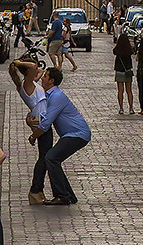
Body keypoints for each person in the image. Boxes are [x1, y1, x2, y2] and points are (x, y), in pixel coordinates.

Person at [27, 67, 91, 207]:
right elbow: (37, 108)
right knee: (53, 160)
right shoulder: (48, 94)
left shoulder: (57, 96)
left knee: (51, 158)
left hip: (77, 134)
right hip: (70, 135)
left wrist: (33, 136)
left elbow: (45, 124)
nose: (42, 78)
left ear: (52, 81)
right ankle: (68, 195)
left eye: (45, 76)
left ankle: (61, 196)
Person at [9, 58, 54, 203]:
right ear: (28, 71)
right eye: (32, 66)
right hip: (41, 122)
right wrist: (18, 63)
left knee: (45, 156)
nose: (36, 67)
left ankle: (38, 190)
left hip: (41, 120)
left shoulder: (30, 83)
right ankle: (35, 190)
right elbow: (35, 68)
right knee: (44, 158)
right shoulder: (25, 84)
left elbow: (38, 70)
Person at [113, 29, 134, 113]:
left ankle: (121, 108)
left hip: (119, 71)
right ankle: (131, 108)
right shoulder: (129, 50)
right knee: (129, 91)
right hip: (127, 71)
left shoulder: (117, 50)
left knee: (120, 91)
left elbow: (114, 51)